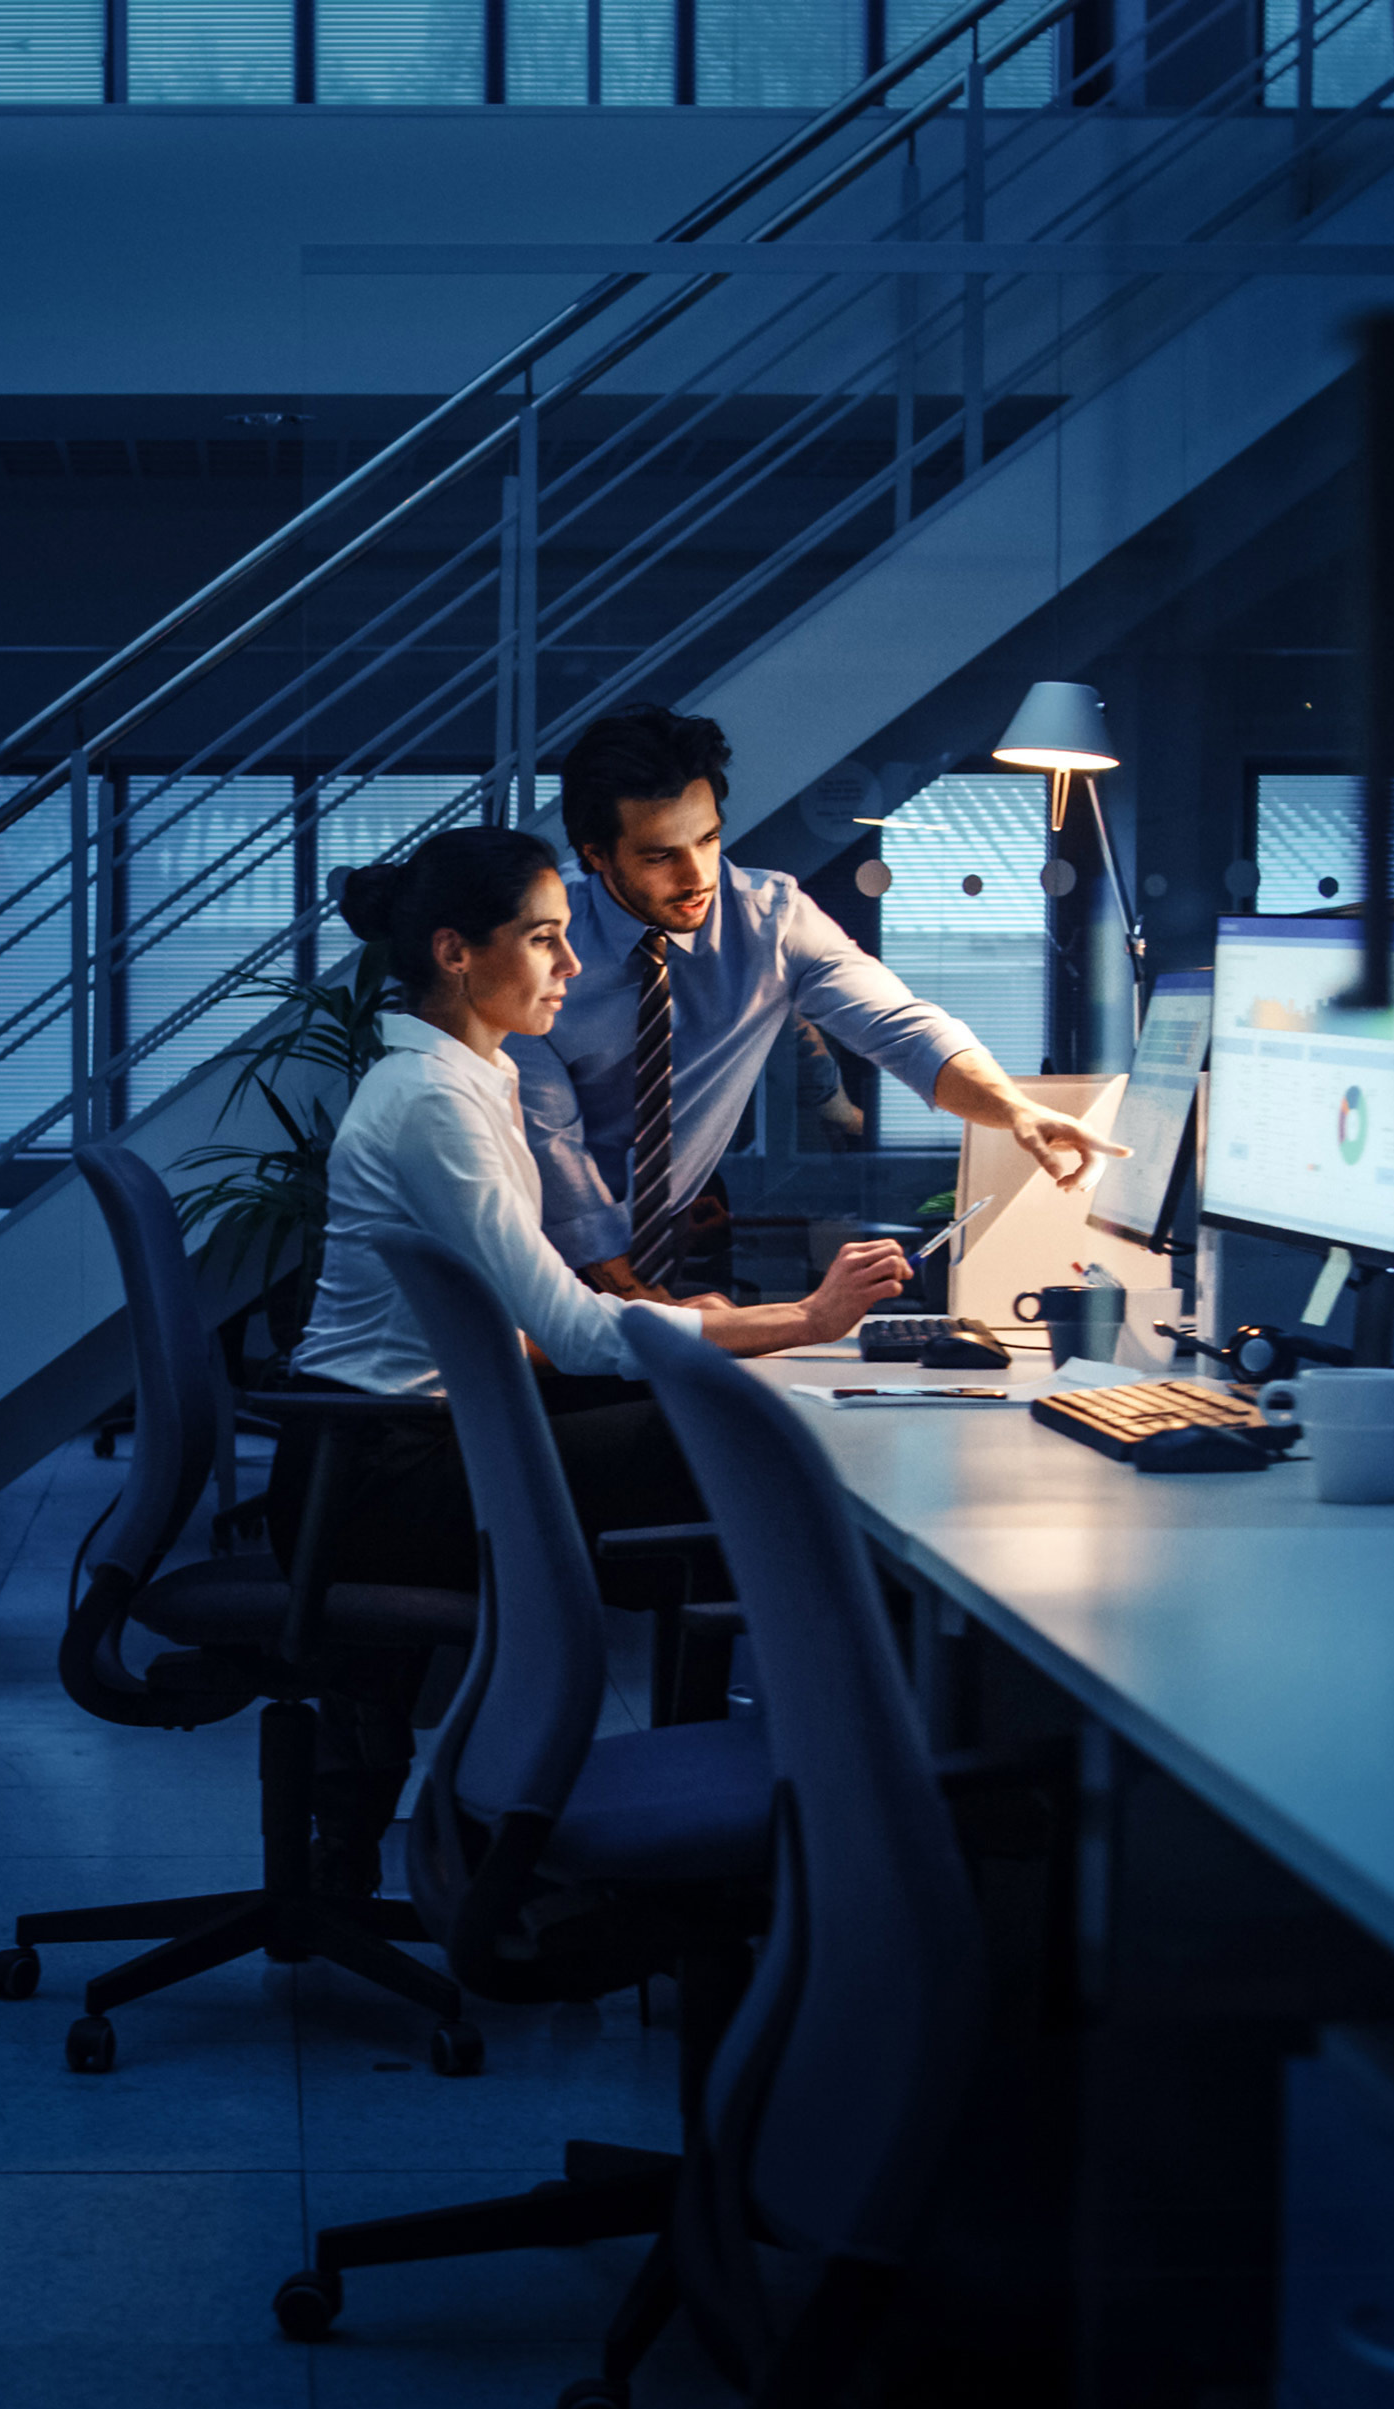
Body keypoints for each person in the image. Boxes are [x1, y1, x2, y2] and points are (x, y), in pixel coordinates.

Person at [276, 824, 914, 1887]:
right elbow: (572, 1330)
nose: (573, 965)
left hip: (396, 1445)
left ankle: (709, 1816)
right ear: (454, 953)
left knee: (698, 1420)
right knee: (709, 1444)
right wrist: (798, 1320)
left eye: (568, 939)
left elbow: (525, 1322)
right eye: (542, 941)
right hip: (378, 1473)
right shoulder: (437, 1101)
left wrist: (707, 1326)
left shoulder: (462, 1079)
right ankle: (736, 1835)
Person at [514, 704, 1125, 1302]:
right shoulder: (539, 949)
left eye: (708, 840)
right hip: (515, 1252)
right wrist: (663, 1318)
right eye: (659, 856)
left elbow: (904, 1029)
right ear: (596, 855)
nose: (697, 874)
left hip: (645, 1267)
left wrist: (1016, 1112)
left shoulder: (769, 921)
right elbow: (552, 1153)